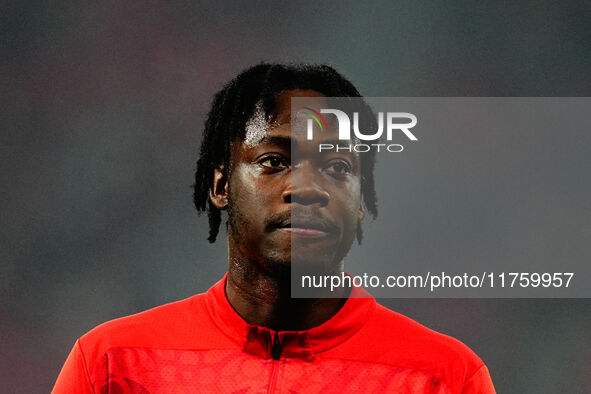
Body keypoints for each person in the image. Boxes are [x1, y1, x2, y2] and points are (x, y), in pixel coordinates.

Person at [53, 63, 496, 393]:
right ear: (221, 185)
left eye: (337, 165)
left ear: (361, 201)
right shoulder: (112, 365)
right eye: (274, 162)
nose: (306, 188)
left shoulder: (445, 377)